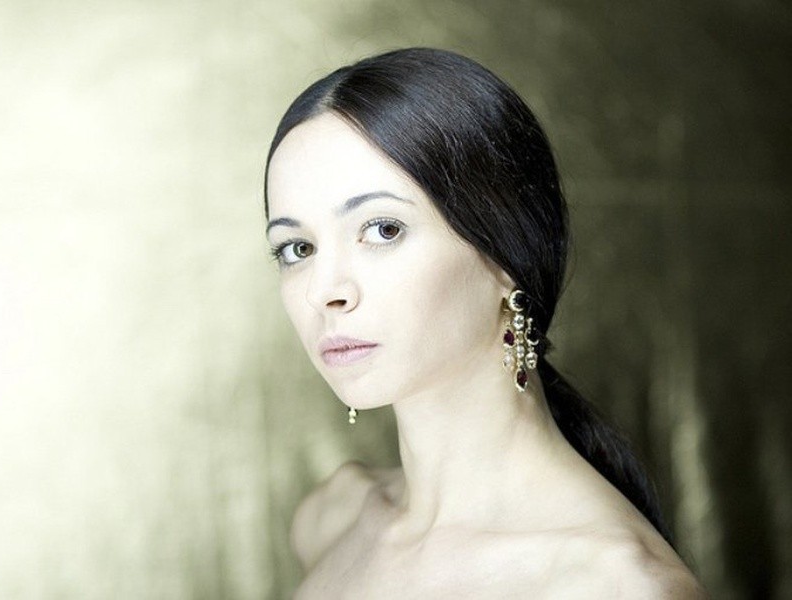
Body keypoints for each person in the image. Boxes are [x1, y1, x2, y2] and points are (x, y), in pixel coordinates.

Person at [263, 48, 705, 598]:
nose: (324, 291)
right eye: (297, 247)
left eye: (382, 230)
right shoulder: (333, 519)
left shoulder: (616, 584)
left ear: (505, 252)